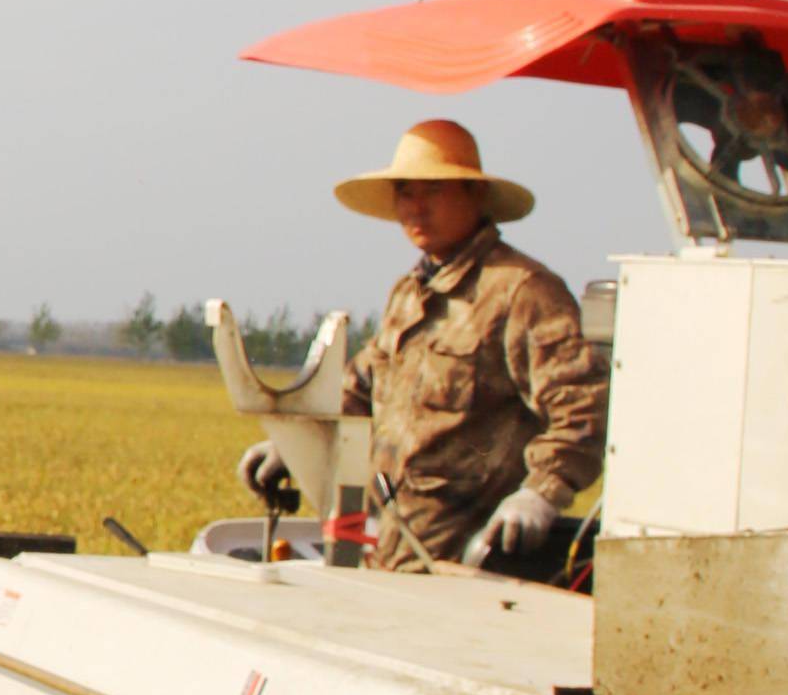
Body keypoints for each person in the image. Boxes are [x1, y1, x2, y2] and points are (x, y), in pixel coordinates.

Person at [247, 116, 609, 575]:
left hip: (469, 565)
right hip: (388, 551)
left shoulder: (522, 292)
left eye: (433, 191)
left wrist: (540, 494)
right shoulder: (410, 293)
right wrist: (295, 442)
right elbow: (359, 387)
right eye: (406, 192)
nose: (416, 208)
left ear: (475, 196)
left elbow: (582, 411)